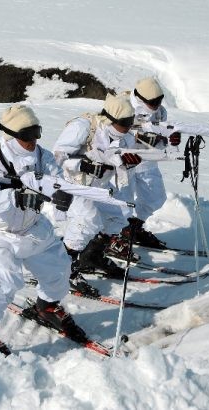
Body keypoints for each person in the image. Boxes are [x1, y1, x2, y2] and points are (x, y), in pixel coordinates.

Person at [0, 105, 84, 354]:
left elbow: (58, 181)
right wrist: (16, 197)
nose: (34, 140)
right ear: (10, 134)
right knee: (4, 277)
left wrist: (62, 196)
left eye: (37, 132)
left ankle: (46, 307)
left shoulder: (43, 156)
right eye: (27, 135)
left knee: (60, 269)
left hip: (31, 227)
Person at [52, 94, 143, 291]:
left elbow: (119, 162)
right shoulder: (83, 127)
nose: (128, 127)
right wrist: (84, 165)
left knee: (118, 216)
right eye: (124, 123)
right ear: (111, 119)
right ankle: (63, 270)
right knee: (88, 220)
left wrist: (129, 163)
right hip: (72, 185)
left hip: (97, 187)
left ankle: (91, 256)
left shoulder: (125, 137)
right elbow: (56, 158)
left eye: (130, 122)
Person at [120, 75, 181, 250]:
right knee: (122, 202)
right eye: (152, 101)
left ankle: (133, 228)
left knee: (156, 197)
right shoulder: (123, 105)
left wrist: (170, 138)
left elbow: (162, 136)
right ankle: (112, 237)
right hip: (125, 161)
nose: (156, 105)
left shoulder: (160, 112)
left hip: (148, 160)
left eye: (159, 100)